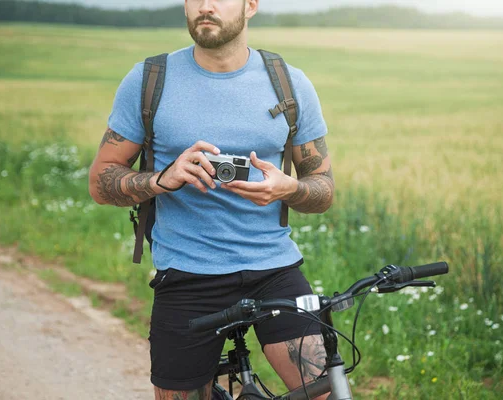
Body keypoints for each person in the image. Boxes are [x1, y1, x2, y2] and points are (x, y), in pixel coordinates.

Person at [88, 0, 334, 399]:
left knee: (327, 390)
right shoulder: (151, 79)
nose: (204, 6)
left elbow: (322, 189)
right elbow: (100, 182)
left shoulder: (288, 82)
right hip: (187, 272)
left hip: (274, 268)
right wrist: (162, 179)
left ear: (250, 6)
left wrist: (289, 188)